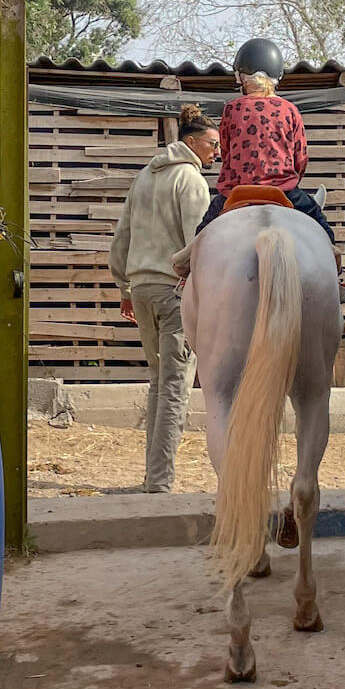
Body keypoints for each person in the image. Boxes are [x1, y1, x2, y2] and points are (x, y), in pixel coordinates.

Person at [109, 105, 220, 492]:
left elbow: (121, 236)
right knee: (175, 385)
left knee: (159, 381)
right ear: (191, 142)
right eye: (212, 143)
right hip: (173, 293)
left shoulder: (144, 176)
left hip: (140, 290)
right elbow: (198, 245)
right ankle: (159, 482)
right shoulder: (191, 181)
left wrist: (125, 287)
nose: (217, 152)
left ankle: (152, 475)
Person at [195, 38, 338, 254]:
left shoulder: (232, 109)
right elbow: (300, 158)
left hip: (237, 191)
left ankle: (184, 271)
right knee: (326, 235)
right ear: (277, 76)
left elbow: (226, 151)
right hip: (283, 190)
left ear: (241, 77)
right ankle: (335, 266)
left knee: (199, 240)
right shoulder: (289, 110)